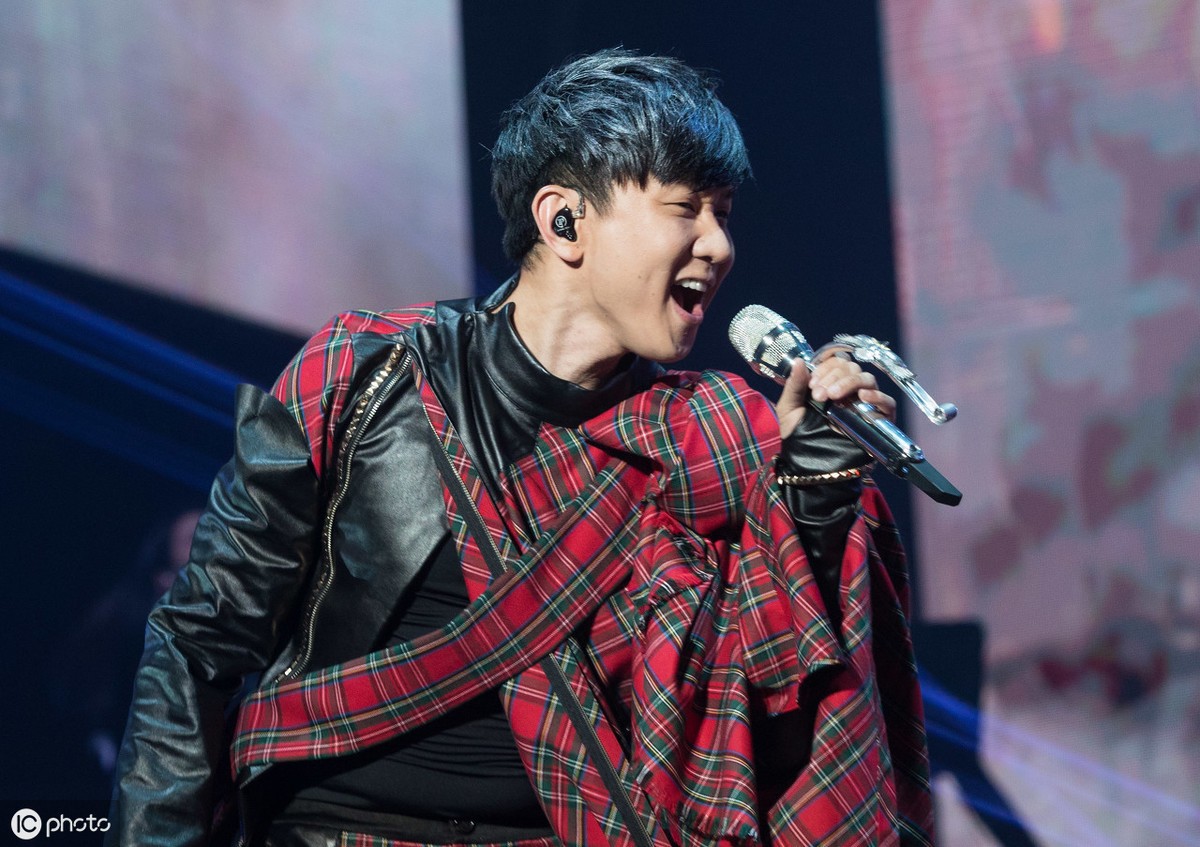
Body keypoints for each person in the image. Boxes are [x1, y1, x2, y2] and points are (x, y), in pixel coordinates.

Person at [109, 48, 934, 846]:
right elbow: (201, 640)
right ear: (564, 219)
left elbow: (766, 714)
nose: (719, 245)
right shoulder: (366, 373)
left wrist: (813, 498)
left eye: (724, 213)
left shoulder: (714, 435)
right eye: (687, 207)